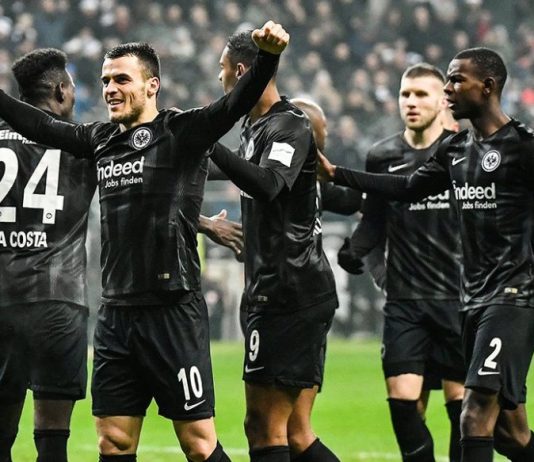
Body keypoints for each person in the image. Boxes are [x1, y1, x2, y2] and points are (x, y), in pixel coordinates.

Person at [0, 21, 289, 462]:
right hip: (116, 315)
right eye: (105, 81)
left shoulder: (182, 131)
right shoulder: (99, 139)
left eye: (121, 80)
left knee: (198, 444)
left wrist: (267, 58)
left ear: (152, 85)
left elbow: (234, 104)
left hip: (171, 310)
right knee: (113, 441)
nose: (110, 89)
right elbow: (39, 125)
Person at [318, 47, 534, 462]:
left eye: (457, 80)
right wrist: (336, 174)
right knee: (510, 435)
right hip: (472, 301)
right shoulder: (456, 149)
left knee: (473, 415)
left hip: (512, 299)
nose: (448, 88)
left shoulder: (522, 148)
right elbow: (406, 188)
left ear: (488, 87)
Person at [209, 31, 340, 462]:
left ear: (240, 71)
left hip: (290, 293)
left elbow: (268, 184)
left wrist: (208, 143)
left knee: (264, 427)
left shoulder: (289, 125)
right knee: (296, 434)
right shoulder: (254, 125)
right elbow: (231, 169)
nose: (220, 78)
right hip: (279, 288)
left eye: (222, 69)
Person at [336, 63, 465, 462]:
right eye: (405, 94)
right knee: (404, 401)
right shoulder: (382, 156)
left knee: (462, 409)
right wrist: (357, 251)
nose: (411, 101)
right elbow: (374, 220)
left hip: (458, 300)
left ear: (442, 101)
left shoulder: (463, 152)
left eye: (421, 94)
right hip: (405, 301)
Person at [0, 48, 95, 462]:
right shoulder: (83, 141)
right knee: (53, 439)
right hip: (58, 299)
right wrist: (202, 221)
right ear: (60, 90)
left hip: (2, 298)